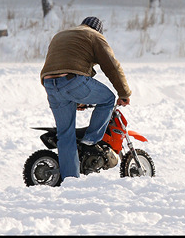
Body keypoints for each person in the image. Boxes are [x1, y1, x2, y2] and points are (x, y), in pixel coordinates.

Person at [39, 16, 131, 185]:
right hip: (71, 79)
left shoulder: (61, 35)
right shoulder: (94, 36)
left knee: (65, 135)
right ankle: (90, 141)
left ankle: (71, 183)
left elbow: (60, 64)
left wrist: (77, 98)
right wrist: (124, 93)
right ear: (98, 30)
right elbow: (111, 65)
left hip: (50, 83)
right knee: (108, 99)